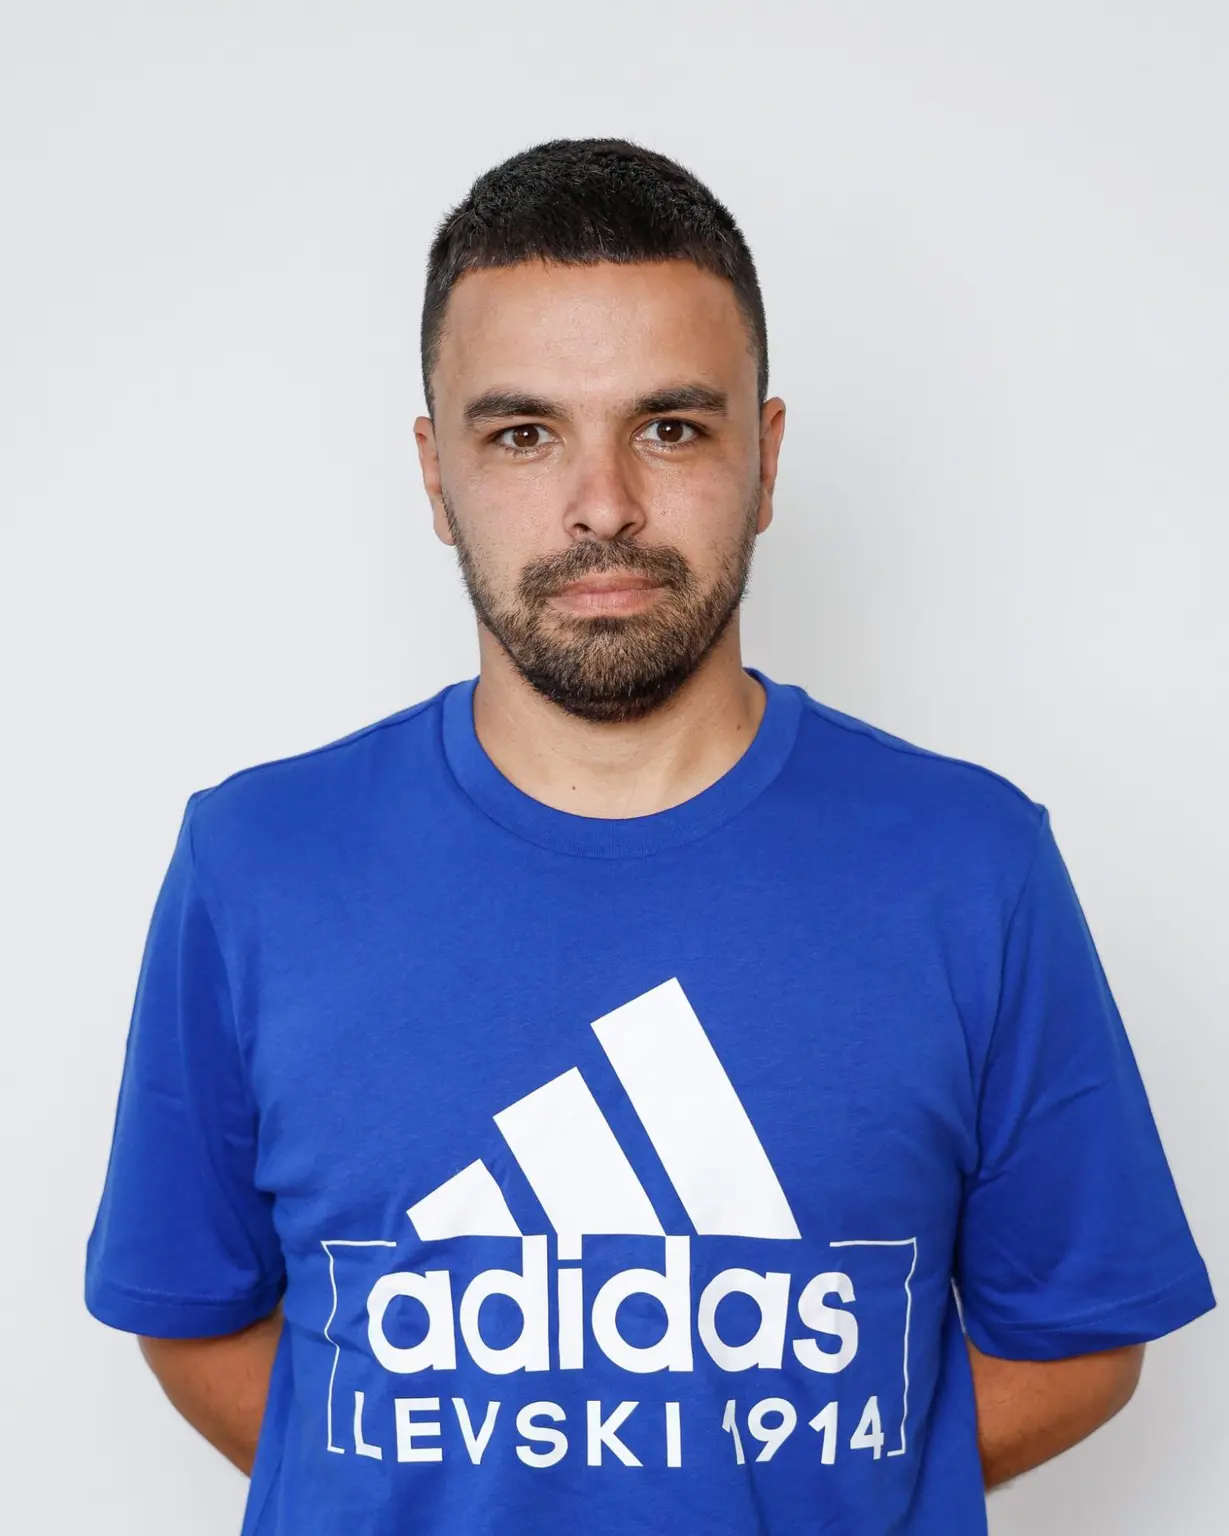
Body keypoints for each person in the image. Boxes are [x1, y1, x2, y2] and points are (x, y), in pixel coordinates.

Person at [84, 137, 1215, 1536]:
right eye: (523, 434)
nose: (604, 505)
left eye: (670, 428)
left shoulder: (973, 867)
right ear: (435, 475)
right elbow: (191, 1315)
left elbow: (1081, 1339)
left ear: (768, 457)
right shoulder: (256, 863)